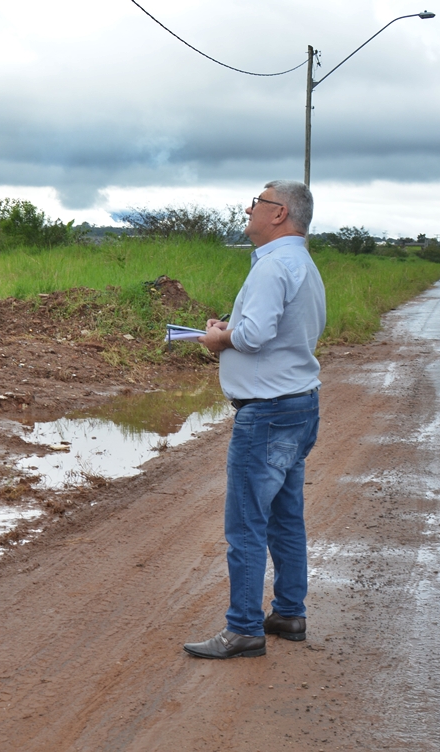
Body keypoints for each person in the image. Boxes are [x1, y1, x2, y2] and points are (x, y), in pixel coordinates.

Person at [184, 180, 326, 659]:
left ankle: (243, 628)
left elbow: (255, 335)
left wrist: (217, 339)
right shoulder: (302, 263)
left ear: (280, 213)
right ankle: (288, 613)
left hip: (266, 414)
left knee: (246, 524)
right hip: (299, 404)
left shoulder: (273, 266)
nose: (248, 209)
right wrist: (235, 332)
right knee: (286, 518)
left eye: (258, 202)